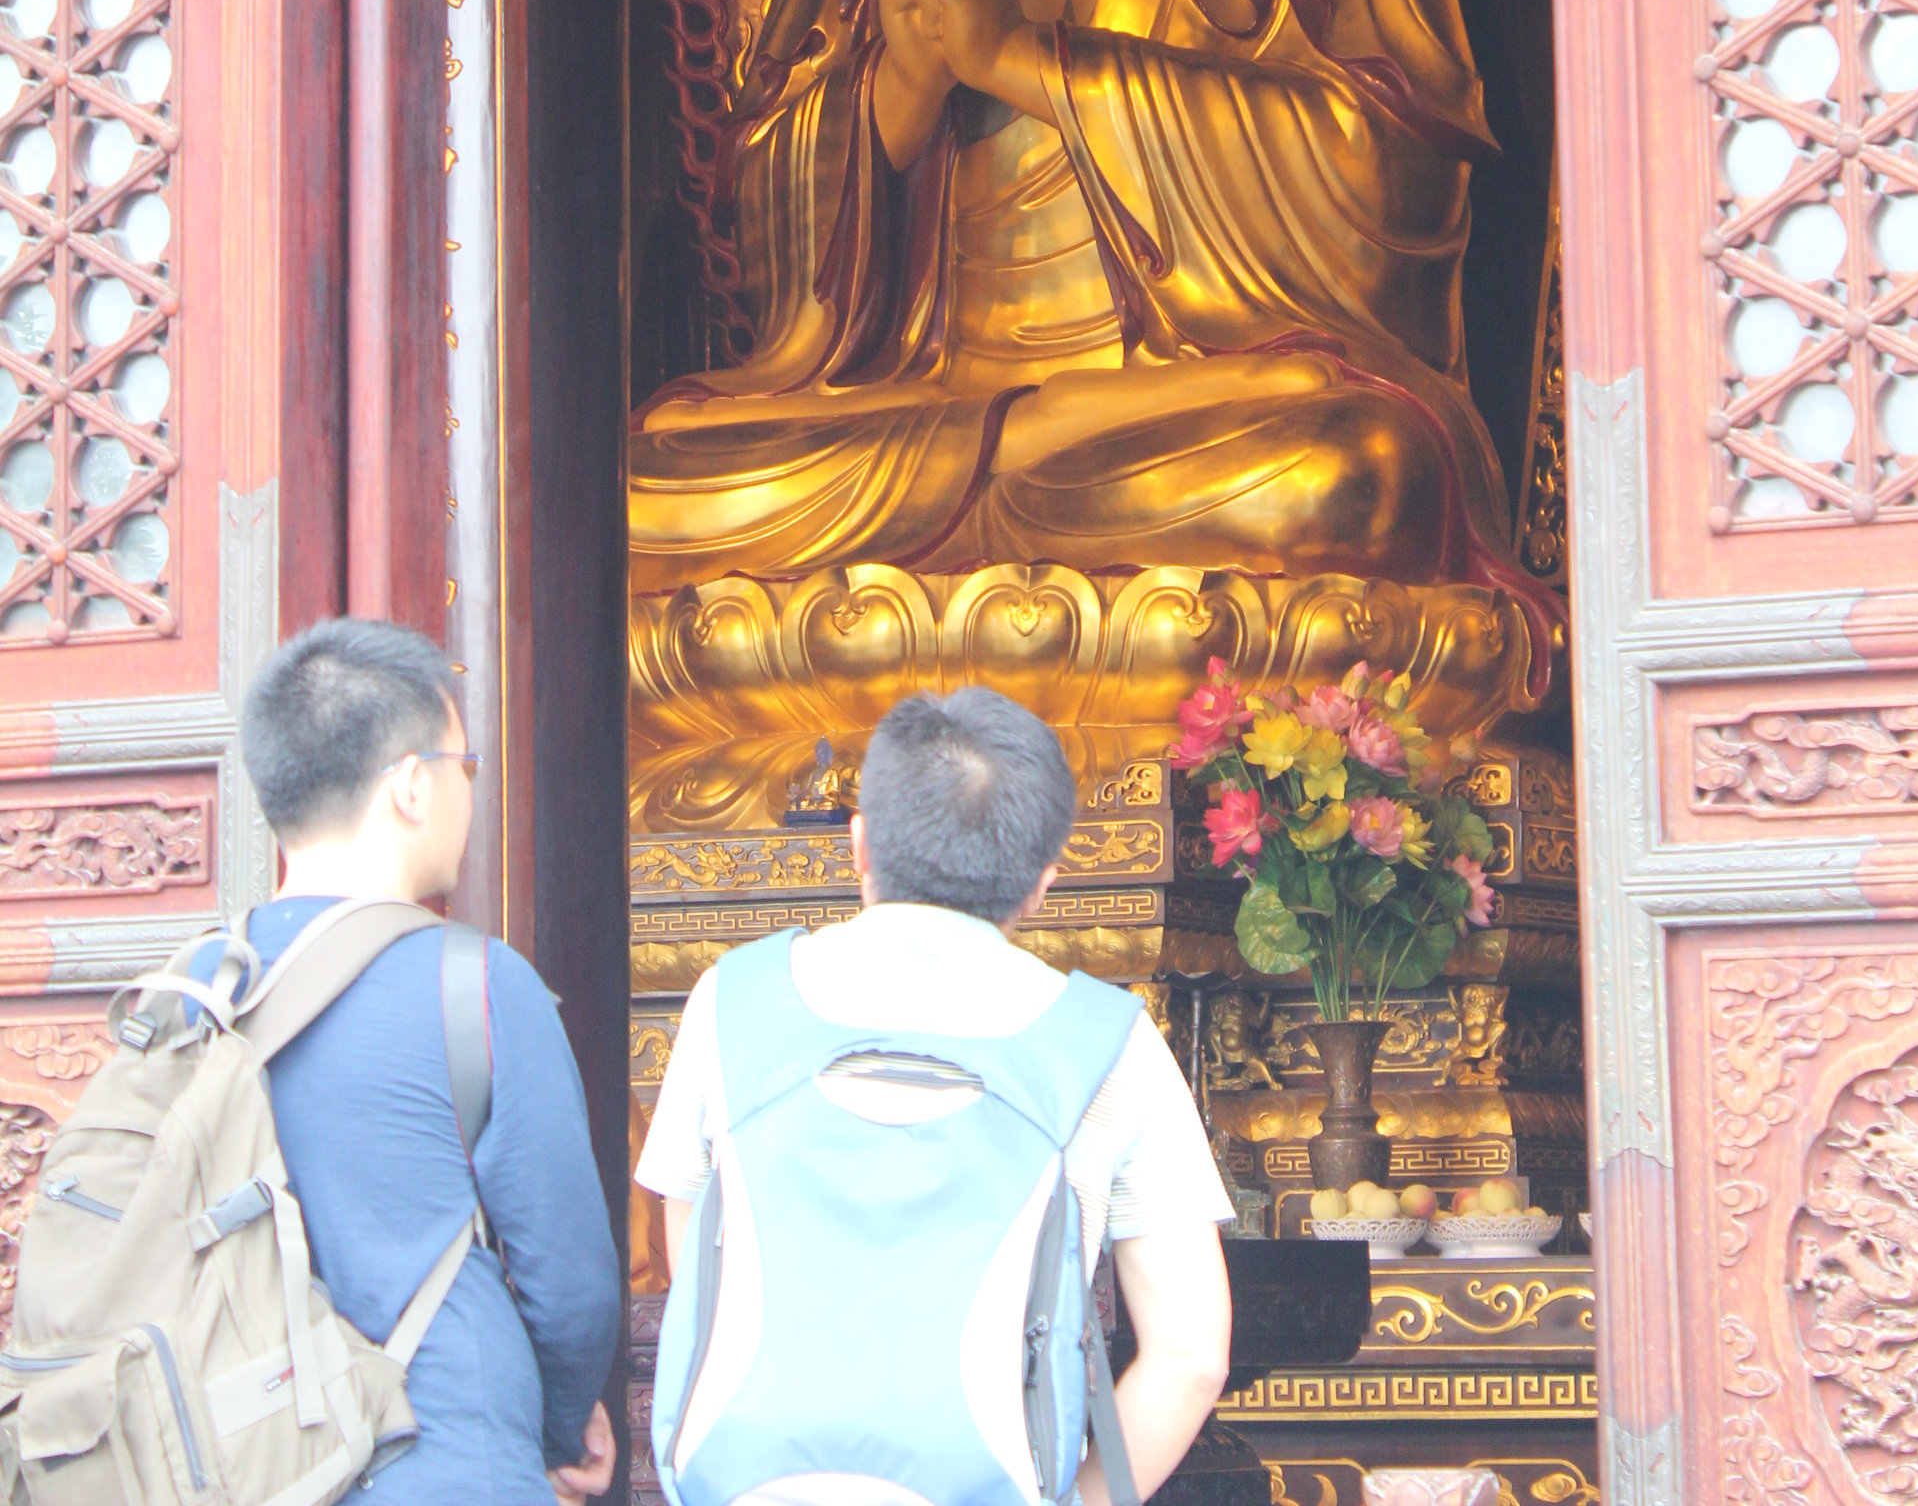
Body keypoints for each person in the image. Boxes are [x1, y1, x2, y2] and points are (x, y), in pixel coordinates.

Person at [637, 686, 1235, 1505]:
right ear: (1043, 884)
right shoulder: (1109, 1043)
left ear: (858, 844)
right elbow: (1193, 1356)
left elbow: (694, 1261)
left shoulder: (731, 1000)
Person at [234, 616, 622, 1504]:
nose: (467, 793)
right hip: (443, 1460)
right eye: (464, 767)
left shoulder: (189, 997)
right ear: (412, 786)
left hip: (245, 1468)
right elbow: (571, 1283)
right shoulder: (473, 984)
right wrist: (562, 1432)